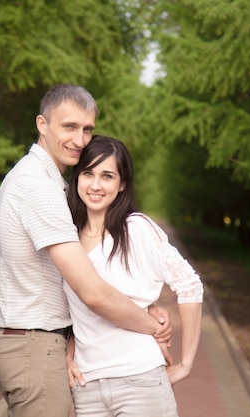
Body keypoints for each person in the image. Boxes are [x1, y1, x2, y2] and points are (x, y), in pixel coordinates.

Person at [0, 84, 172, 417]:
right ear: (42, 125)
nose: (81, 139)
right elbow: (91, 291)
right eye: (69, 126)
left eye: (87, 129)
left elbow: (91, 268)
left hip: (40, 344)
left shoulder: (55, 186)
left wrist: (146, 302)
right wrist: (150, 326)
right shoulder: (37, 188)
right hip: (32, 345)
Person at [64, 135, 204, 417]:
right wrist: (68, 354)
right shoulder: (66, 240)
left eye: (107, 176)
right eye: (88, 173)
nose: (95, 185)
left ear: (122, 184)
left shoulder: (137, 229)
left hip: (140, 381)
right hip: (87, 387)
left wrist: (187, 363)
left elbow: (190, 285)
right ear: (77, 177)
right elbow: (71, 311)